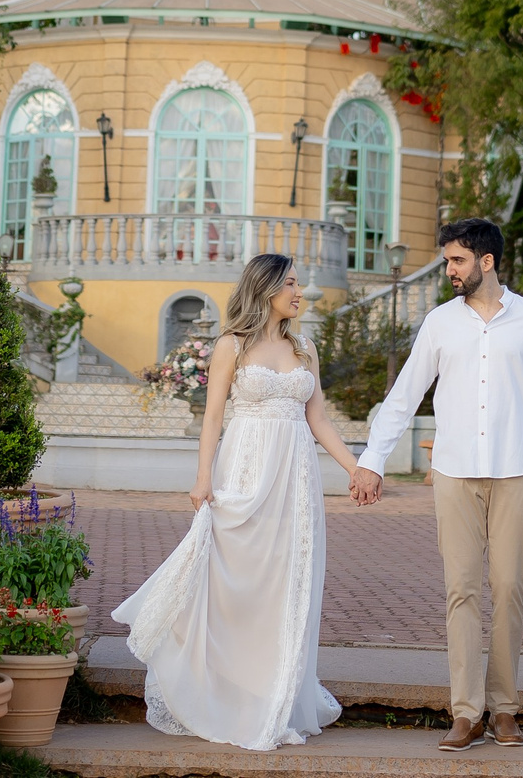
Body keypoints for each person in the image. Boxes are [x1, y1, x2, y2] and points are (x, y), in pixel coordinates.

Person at [113, 253, 366, 750]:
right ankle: (224, 686)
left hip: (295, 479)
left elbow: (318, 419)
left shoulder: (306, 348)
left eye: (298, 284)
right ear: (265, 288)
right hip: (245, 470)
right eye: (290, 284)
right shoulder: (231, 345)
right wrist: (202, 478)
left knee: (287, 581)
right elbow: (212, 418)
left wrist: (355, 468)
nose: (299, 292)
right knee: (234, 578)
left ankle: (275, 694)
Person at [351, 219, 523, 752]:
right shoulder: (439, 323)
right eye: (447, 262)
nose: (449, 271)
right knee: (461, 590)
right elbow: (404, 395)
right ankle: (465, 712)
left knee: (509, 588)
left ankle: (504, 709)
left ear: (486, 261)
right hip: (454, 473)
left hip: (516, 471)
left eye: (456, 261)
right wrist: (373, 461)